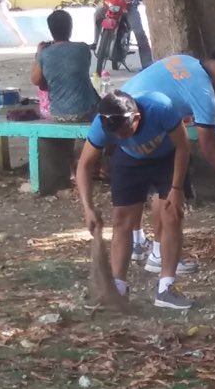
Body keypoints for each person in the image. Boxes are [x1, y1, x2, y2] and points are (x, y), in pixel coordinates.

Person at [122, 48, 215, 271]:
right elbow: (209, 148)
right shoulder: (204, 94)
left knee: (150, 188)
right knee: (169, 186)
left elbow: (169, 89)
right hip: (144, 125)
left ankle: (139, 245)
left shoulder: (184, 61)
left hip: (121, 116)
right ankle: (160, 255)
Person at [77, 90, 193, 310]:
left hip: (167, 160)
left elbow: (183, 146)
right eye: (117, 135)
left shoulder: (160, 108)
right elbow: (84, 165)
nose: (122, 137)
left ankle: (166, 288)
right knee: (121, 221)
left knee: (171, 215)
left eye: (125, 131)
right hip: (129, 163)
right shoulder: (102, 125)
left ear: (136, 118)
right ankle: (117, 288)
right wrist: (87, 207)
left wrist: (177, 188)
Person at [30, 10, 99, 122]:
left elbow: (35, 81)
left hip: (58, 114)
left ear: (50, 30)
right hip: (85, 112)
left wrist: (38, 54)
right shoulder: (83, 48)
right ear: (70, 28)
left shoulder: (45, 53)